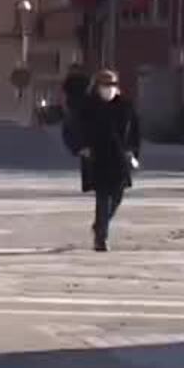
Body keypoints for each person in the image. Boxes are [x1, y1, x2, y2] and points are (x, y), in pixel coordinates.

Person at [64, 68, 141, 252]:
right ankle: (101, 238)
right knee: (103, 197)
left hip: (119, 157)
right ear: (97, 86)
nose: (109, 89)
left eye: (112, 85)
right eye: (105, 85)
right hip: (97, 157)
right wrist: (80, 147)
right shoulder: (86, 106)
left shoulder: (125, 105)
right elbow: (70, 130)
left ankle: (100, 224)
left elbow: (135, 132)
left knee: (118, 195)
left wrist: (133, 153)